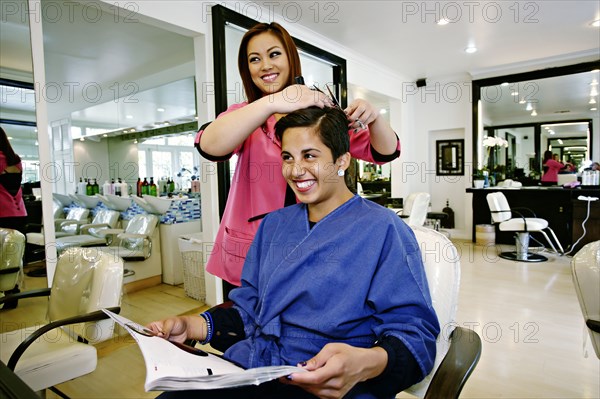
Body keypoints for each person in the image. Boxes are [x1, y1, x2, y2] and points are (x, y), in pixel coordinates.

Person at [151, 106, 438, 399]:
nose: (296, 170)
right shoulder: (273, 225)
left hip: (325, 383)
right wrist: (192, 325)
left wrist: (365, 363)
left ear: (342, 160)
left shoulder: (383, 228)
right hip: (255, 368)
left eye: (310, 155)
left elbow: (416, 336)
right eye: (288, 157)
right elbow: (250, 312)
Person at [195, 22, 400, 294]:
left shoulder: (318, 113)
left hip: (310, 246)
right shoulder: (245, 114)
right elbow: (209, 145)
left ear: (291, 58)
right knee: (239, 325)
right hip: (250, 250)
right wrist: (273, 102)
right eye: (254, 59)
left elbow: (385, 151)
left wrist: (374, 118)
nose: (265, 65)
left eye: (274, 54)